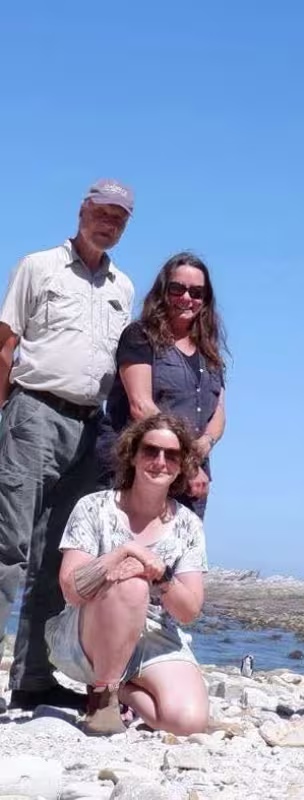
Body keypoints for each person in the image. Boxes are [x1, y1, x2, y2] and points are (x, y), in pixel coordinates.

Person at [0, 179, 135, 710]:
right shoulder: (38, 266)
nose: (109, 223)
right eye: (102, 212)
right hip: (33, 414)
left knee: (59, 559)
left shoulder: (123, 287)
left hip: (90, 430)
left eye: (119, 218)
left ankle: (32, 677)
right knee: (7, 548)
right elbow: (6, 347)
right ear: (82, 210)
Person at [45, 413, 209, 736]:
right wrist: (122, 556)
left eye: (171, 455)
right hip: (91, 629)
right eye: (150, 451)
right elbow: (71, 589)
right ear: (132, 454)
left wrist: (161, 577)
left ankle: (122, 688)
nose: (160, 461)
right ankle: (102, 698)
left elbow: (189, 612)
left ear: (181, 465)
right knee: (132, 586)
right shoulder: (93, 508)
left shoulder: (189, 525)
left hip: (154, 636)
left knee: (188, 722)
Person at [96, 252, 227, 518]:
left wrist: (206, 443)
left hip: (189, 481)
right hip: (138, 473)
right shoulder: (140, 337)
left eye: (197, 292)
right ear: (163, 291)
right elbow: (141, 405)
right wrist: (188, 461)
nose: (187, 298)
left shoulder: (209, 354)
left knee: (178, 557)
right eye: (178, 289)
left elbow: (219, 413)